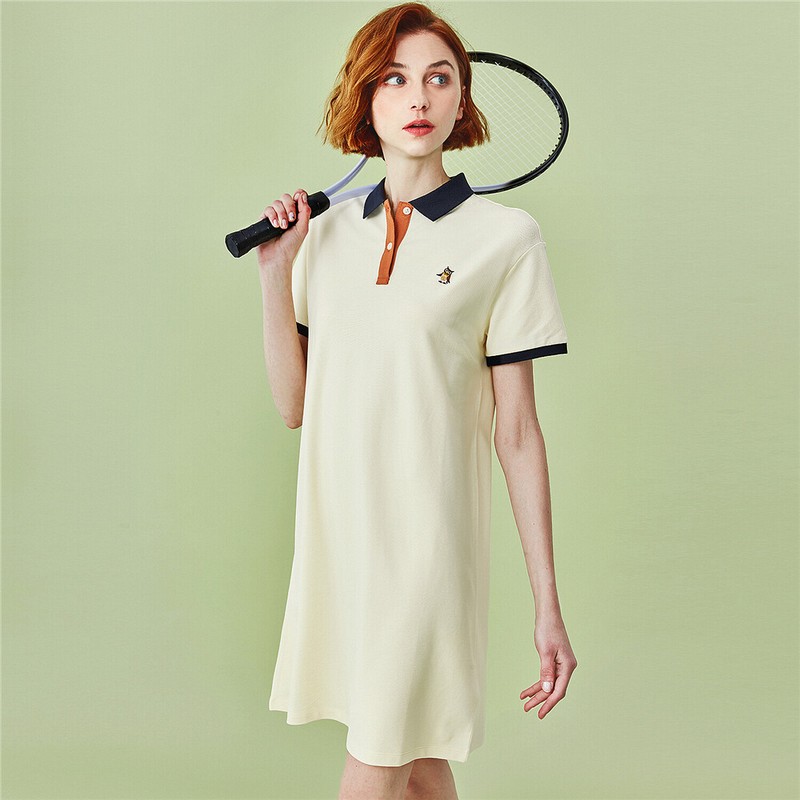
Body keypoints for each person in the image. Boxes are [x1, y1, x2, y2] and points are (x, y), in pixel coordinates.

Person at [255, 3, 578, 798]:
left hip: (427, 551)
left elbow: (518, 433)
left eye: (439, 78)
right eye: (394, 80)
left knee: (376, 762)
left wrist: (547, 604)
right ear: (366, 99)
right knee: (422, 765)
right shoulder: (325, 236)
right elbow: (295, 406)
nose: (419, 98)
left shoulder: (506, 238)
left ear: (463, 99)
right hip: (341, 543)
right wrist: (274, 274)